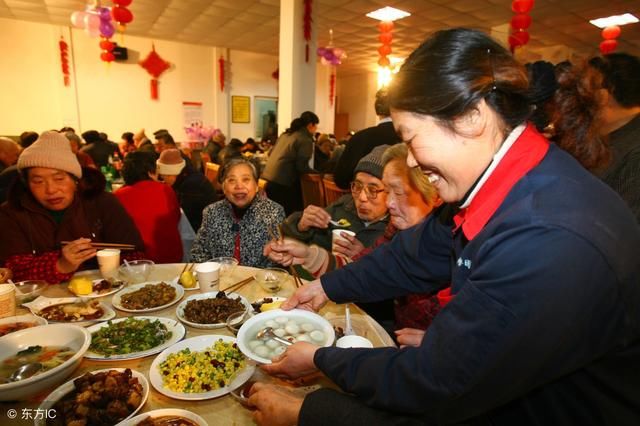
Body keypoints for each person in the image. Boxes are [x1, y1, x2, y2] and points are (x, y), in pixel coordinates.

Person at [248, 28, 640, 426]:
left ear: (472, 117)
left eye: (412, 139)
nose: (413, 163)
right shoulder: (497, 183)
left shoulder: (547, 241)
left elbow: (437, 382)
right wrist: (324, 287)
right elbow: (410, 256)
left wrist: (313, 390)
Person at [265, 143, 442, 332]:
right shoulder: (396, 231)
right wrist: (309, 255)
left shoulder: (453, 241)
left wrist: (437, 343)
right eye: (388, 192)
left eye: (397, 193)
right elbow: (362, 271)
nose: (389, 203)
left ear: (435, 194)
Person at [0, 131, 144, 283]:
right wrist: (60, 265)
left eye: (59, 178)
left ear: (75, 179)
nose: (51, 190)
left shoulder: (102, 202)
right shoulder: (12, 212)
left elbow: (134, 254)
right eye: (38, 181)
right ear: (27, 184)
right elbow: (13, 270)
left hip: (106, 293)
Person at [554, 53, 640, 222]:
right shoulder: (608, 137)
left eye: (582, 91)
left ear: (602, 97)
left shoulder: (634, 153)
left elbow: (621, 225)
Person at [280, 146, 390, 253]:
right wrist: (300, 226)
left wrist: (364, 257)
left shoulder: (396, 230)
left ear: (391, 193)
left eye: (372, 190)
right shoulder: (344, 207)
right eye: (358, 186)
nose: (362, 197)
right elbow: (286, 240)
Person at [190, 157, 285, 268]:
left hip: (259, 281)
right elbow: (198, 252)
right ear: (224, 188)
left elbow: (278, 262)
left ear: (256, 185)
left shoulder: (273, 212)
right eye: (231, 180)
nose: (239, 186)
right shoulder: (211, 212)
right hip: (220, 280)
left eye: (245, 179)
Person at [115, 151, 183, 263]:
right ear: (150, 172)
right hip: (171, 256)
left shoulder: (118, 196)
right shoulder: (166, 190)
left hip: (136, 261)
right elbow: (176, 218)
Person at [332, 89, 401, 189]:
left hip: (360, 200)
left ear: (377, 110)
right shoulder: (407, 139)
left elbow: (340, 179)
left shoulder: (359, 137)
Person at [262, 111, 319, 215]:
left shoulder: (285, 135)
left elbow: (270, 153)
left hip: (268, 179)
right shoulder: (305, 139)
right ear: (311, 125)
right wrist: (317, 174)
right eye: (316, 127)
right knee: (297, 207)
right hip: (282, 182)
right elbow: (301, 166)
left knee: (274, 213)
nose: (316, 130)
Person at [156, 148, 217, 231]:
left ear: (171, 174)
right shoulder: (186, 175)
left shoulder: (190, 185)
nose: (163, 180)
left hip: (205, 231)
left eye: (163, 176)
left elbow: (184, 217)